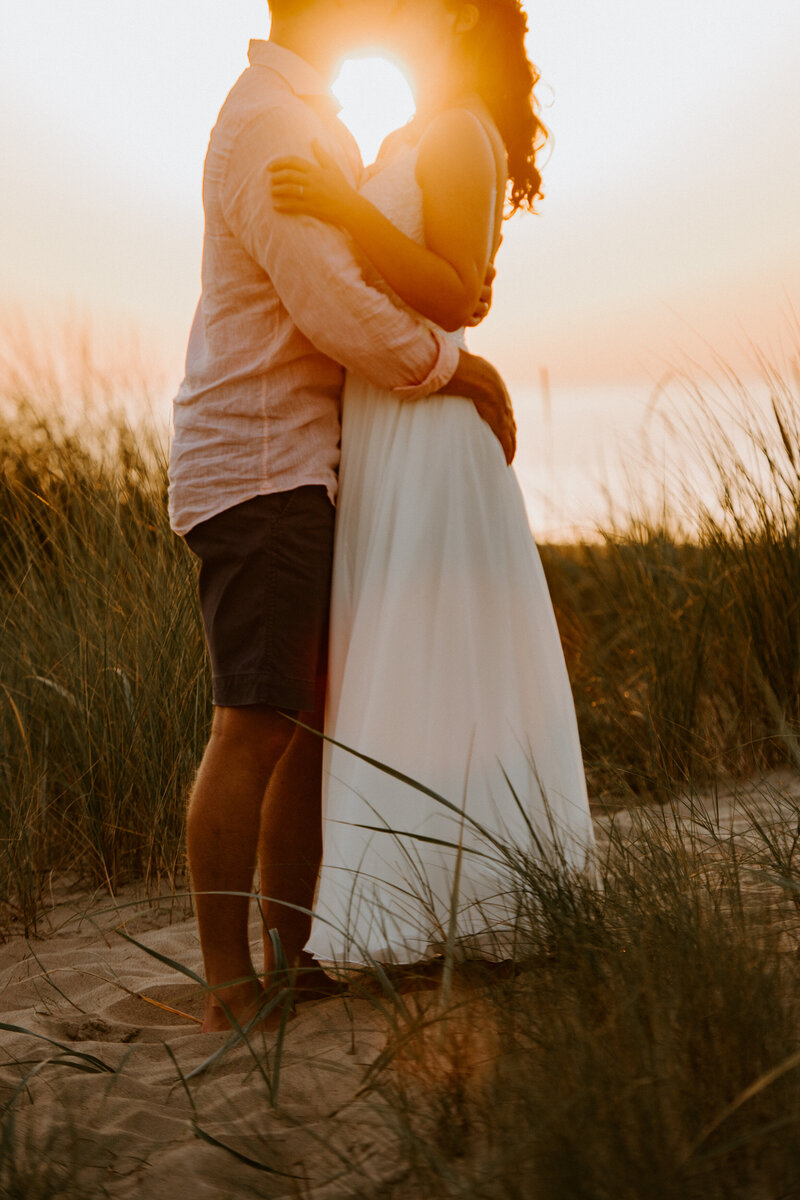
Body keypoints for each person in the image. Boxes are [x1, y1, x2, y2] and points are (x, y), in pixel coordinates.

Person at [168, 0, 515, 1033]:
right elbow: (327, 300)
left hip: (296, 464)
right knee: (255, 723)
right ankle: (232, 987)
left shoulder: (309, 115)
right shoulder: (273, 123)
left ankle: (290, 955)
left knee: (301, 728)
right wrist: (457, 368)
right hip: (261, 463)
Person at [268, 0, 598, 967]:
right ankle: (411, 911)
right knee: (395, 665)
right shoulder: (410, 132)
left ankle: (473, 907)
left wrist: (341, 208)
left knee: (436, 660)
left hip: (429, 430)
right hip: (384, 424)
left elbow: (457, 292)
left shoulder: (458, 131)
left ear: (458, 21)